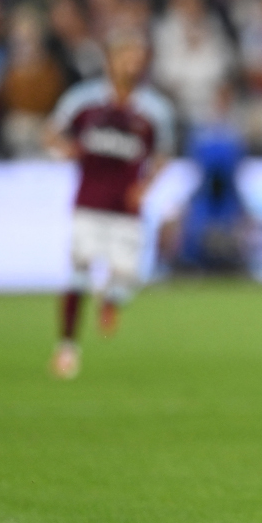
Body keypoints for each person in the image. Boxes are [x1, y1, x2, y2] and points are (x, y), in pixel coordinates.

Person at [46, 28, 176, 379]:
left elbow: (164, 153)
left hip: (126, 210)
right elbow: (51, 132)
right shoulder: (83, 100)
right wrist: (65, 150)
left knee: (132, 277)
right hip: (88, 203)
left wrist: (145, 186)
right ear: (110, 60)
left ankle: (111, 299)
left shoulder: (154, 110)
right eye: (126, 56)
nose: (133, 64)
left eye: (138, 58)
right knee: (79, 272)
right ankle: (67, 349)